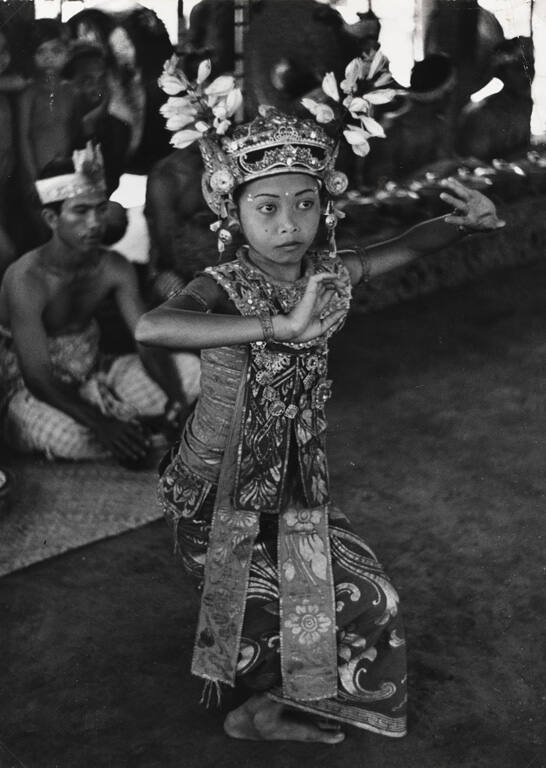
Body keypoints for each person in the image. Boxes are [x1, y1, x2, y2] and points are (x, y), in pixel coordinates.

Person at [136, 59, 504, 743]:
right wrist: (274, 327)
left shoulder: (326, 273)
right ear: (235, 213)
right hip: (217, 495)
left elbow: (400, 247)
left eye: (304, 203)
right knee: (279, 609)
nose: (289, 223)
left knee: (363, 599)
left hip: (294, 480)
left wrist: (464, 226)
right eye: (267, 207)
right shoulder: (222, 285)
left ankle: (271, 710)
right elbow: (151, 326)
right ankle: (260, 710)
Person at [0, 143, 200, 464]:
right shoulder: (26, 278)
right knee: (75, 437)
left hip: (99, 376)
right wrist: (103, 425)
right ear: (52, 218)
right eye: (80, 211)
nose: (95, 223)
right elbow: (37, 377)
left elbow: (146, 341)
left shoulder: (113, 266)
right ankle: (134, 432)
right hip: (34, 394)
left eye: (100, 209)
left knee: (193, 374)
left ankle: (139, 428)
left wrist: (176, 399)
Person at [65, 43, 132, 196]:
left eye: (101, 78)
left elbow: (104, 184)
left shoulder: (118, 127)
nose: (97, 87)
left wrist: (89, 126)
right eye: (87, 80)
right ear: (71, 84)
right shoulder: (60, 121)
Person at [18, 19, 77, 183]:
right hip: (38, 171)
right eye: (41, 52)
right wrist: (32, 177)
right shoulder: (30, 94)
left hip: (67, 170)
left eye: (56, 51)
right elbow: (23, 139)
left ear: (68, 54)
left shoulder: (71, 90)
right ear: (31, 56)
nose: (48, 58)